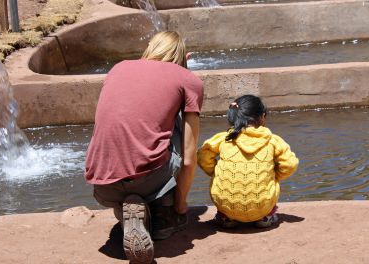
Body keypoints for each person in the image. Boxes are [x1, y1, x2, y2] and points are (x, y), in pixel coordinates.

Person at [84, 31, 203, 263]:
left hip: (102, 185)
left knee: (138, 129)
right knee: (176, 125)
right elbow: (189, 158)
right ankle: (162, 218)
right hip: (151, 178)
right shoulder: (188, 79)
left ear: (150, 48)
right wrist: (180, 208)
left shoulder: (118, 68)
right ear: (182, 57)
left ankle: (126, 212)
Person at [197, 95, 299, 228]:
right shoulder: (272, 141)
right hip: (261, 207)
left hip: (226, 205)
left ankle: (226, 217)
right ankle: (265, 217)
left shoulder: (223, 139)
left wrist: (215, 172)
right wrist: (273, 177)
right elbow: (290, 164)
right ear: (262, 117)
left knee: (221, 184)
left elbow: (202, 155)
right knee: (268, 186)